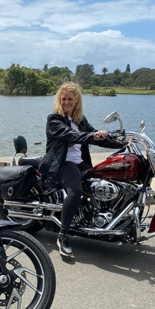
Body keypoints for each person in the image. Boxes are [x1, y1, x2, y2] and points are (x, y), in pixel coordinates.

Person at [38, 83, 124, 258]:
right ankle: (63, 236)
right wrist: (92, 136)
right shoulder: (54, 119)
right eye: (63, 99)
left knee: (104, 180)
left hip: (79, 162)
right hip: (62, 163)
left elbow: (96, 138)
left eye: (70, 99)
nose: (66, 102)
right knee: (75, 191)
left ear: (77, 100)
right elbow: (70, 135)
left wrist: (121, 142)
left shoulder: (80, 120)